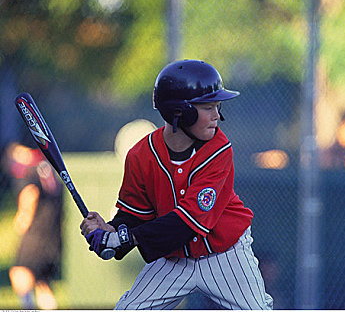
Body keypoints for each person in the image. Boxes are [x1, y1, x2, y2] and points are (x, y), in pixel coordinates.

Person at [80, 59, 274, 310]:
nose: (217, 116)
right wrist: (109, 232)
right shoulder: (140, 155)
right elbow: (136, 214)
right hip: (175, 259)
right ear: (179, 112)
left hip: (224, 254)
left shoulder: (218, 149)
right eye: (208, 107)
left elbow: (189, 221)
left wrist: (124, 239)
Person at [2, 142, 63, 309]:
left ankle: (27, 306)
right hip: (53, 232)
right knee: (42, 283)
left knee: (19, 272)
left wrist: (23, 218)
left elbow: (30, 193)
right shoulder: (45, 165)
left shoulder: (26, 170)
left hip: (35, 234)